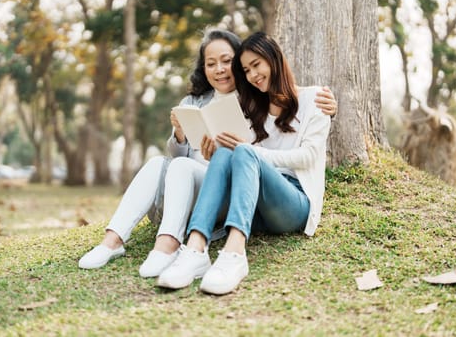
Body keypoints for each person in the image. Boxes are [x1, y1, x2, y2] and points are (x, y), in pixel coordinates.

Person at [79, 29, 337, 278]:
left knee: (217, 158)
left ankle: (200, 248)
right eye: (211, 63)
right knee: (166, 162)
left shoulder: (253, 100)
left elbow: (285, 115)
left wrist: (324, 105)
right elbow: (184, 154)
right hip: (207, 185)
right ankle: (119, 240)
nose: (221, 69)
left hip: (247, 188)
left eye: (228, 62)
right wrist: (182, 135)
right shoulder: (203, 102)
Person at [157, 32, 332, 295]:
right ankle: (195, 249)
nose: (253, 75)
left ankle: (235, 254)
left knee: (242, 151)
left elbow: (307, 156)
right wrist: (216, 153)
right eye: (246, 70)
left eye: (256, 65)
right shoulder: (251, 108)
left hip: (294, 201)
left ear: (274, 59)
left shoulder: (315, 98)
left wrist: (252, 152)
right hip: (255, 204)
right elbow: (240, 157)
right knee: (228, 150)